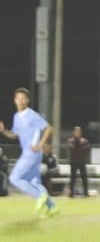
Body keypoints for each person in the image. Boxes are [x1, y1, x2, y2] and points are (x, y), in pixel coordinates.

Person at [0, 87, 59, 216]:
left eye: (23, 98)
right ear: (14, 100)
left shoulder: (31, 115)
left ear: (27, 100)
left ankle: (39, 197)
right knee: (34, 181)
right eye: (18, 98)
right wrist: (3, 131)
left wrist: (41, 144)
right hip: (30, 153)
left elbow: (49, 128)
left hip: (31, 153)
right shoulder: (17, 116)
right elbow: (15, 135)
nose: (20, 101)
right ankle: (52, 207)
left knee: (14, 178)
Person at [66, 126, 90, 197]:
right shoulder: (70, 140)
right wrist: (78, 143)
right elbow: (72, 148)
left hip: (82, 162)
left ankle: (85, 193)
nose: (77, 133)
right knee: (73, 178)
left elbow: (87, 149)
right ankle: (71, 193)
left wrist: (80, 147)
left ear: (81, 133)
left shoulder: (85, 141)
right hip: (73, 162)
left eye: (79, 131)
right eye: (76, 131)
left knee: (84, 177)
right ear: (74, 132)